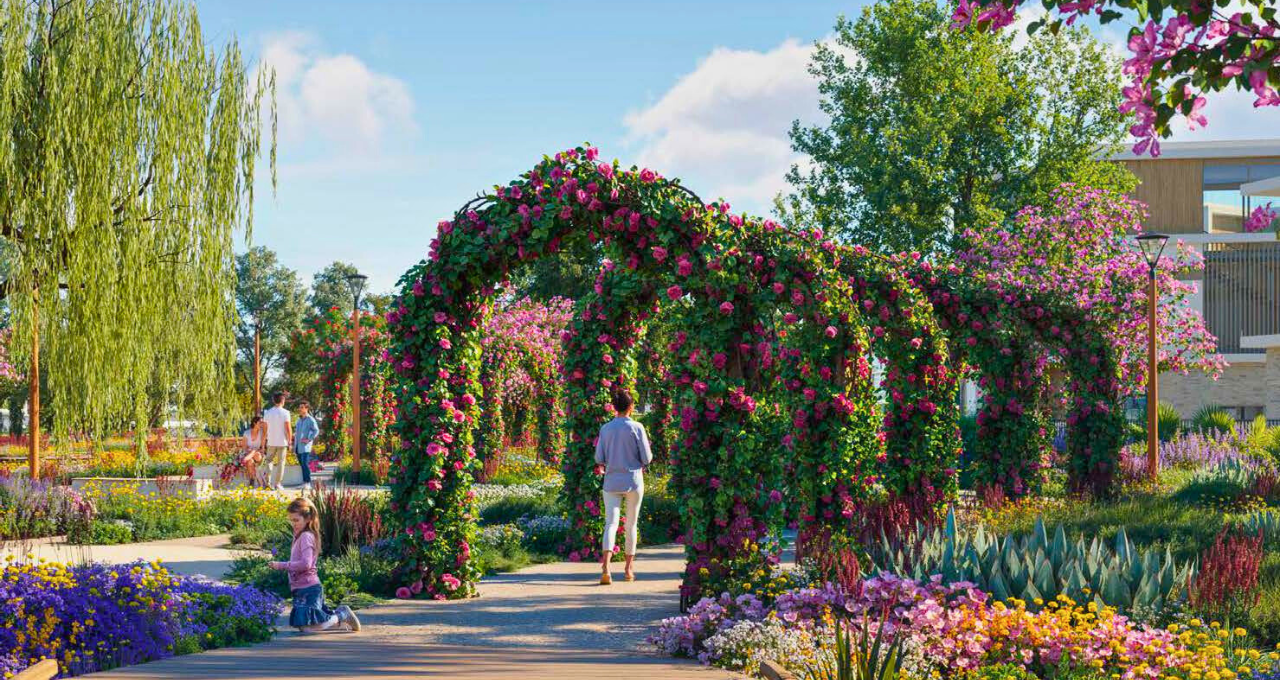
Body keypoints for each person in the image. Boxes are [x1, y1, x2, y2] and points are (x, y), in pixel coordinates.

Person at [269, 497, 361, 633]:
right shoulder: (299, 535)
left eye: (296, 520)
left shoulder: (306, 536)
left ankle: (342, 615)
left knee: (307, 628)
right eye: (291, 520)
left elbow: (306, 564)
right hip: (299, 588)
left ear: (307, 519)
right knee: (303, 626)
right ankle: (340, 619)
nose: (293, 523)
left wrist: (281, 565)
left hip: (309, 587)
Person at [593, 388, 653, 585]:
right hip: (633, 481)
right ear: (631, 406)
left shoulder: (605, 429)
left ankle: (606, 568)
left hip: (611, 481)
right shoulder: (637, 427)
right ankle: (628, 569)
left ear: (614, 407)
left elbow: (599, 458)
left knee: (611, 523)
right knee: (631, 525)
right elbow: (647, 458)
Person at [262, 392, 293, 491]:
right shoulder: (285, 413)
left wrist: (263, 443)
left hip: (271, 441)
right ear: (283, 400)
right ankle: (277, 484)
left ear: (273, 400)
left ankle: (268, 482)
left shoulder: (267, 413)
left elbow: (265, 430)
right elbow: (288, 428)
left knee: (268, 461)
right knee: (281, 463)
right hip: (282, 442)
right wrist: (290, 441)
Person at [294, 401, 320, 492]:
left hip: (305, 447)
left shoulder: (310, 419)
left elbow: (316, 431)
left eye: (302, 407)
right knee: (302, 465)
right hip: (298, 446)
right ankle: (304, 482)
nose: (300, 409)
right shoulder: (299, 420)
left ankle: (308, 483)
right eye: (299, 407)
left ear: (306, 408)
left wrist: (309, 439)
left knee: (305, 464)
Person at [241, 416, 267, 486]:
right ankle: (252, 479)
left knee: (257, 454)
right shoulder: (247, 433)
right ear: (254, 423)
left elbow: (262, 446)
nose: (261, 424)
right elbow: (244, 447)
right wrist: (250, 451)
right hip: (248, 453)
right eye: (260, 422)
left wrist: (254, 451)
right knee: (250, 462)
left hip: (258, 455)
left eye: (262, 423)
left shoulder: (262, 433)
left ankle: (247, 458)